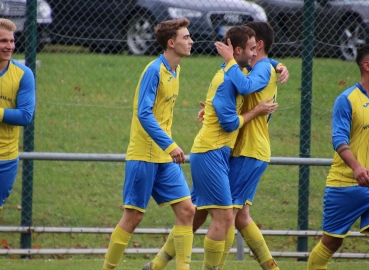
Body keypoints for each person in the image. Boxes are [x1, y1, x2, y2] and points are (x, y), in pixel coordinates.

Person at [144, 22, 288, 270]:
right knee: (217, 214)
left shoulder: (259, 68)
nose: (253, 53)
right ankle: (161, 264)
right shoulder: (238, 72)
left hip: (245, 151)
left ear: (259, 46)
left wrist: (275, 65)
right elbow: (231, 107)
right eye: (249, 48)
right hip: (224, 151)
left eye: (255, 48)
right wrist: (215, 109)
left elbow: (242, 89)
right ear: (240, 49)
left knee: (227, 215)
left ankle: (160, 264)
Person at [102, 18, 195, 270]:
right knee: (133, 217)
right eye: (186, 37)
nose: (191, 41)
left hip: (164, 158)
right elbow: (144, 114)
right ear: (171, 42)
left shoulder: (176, 70)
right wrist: (170, 144)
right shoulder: (154, 70)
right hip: (144, 154)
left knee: (187, 211)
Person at [307, 44, 369, 270]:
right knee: (331, 243)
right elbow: (339, 140)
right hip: (346, 185)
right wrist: (356, 168)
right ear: (367, 65)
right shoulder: (347, 99)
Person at [0, 18, 36, 213]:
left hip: (5, 159)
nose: (9, 46)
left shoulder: (23, 74)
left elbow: (25, 116)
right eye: (3, 41)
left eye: (12, 41)